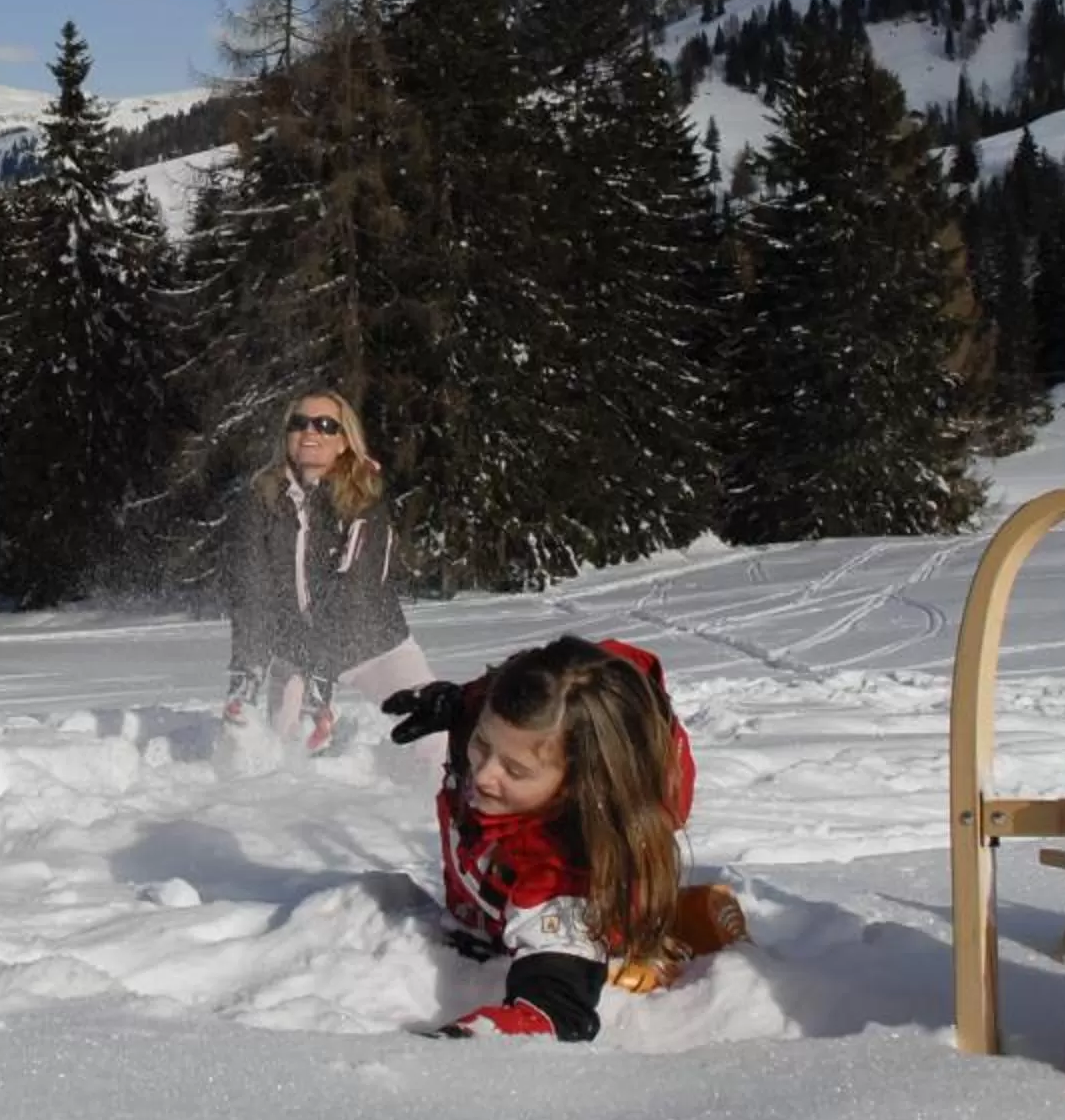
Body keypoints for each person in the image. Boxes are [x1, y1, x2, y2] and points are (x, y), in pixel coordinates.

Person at [384, 634, 748, 1041]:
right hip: (496, 888)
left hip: (567, 902)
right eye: (482, 744)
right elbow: (502, 710)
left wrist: (468, 1041)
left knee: (586, 931)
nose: (483, 774)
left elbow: (554, 1011)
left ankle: (650, 934)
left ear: (576, 784)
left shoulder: (557, 875)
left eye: (515, 771)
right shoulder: (519, 731)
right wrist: (459, 704)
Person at [221, 388, 434, 753]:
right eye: (299, 423)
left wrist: (321, 683)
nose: (310, 432)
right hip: (297, 650)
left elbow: (355, 591)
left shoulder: (364, 500)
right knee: (277, 754)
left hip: (373, 642)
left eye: (325, 425)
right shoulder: (262, 500)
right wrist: (249, 671)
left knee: (434, 732)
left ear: (344, 442)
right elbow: (251, 589)